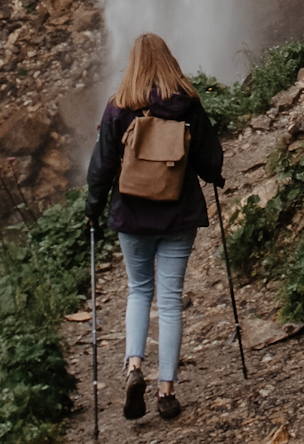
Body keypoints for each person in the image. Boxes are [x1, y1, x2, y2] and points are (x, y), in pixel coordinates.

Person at [85, 32, 224, 422]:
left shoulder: (119, 107)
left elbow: (102, 166)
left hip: (132, 215)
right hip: (178, 215)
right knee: (170, 298)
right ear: (169, 60)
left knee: (138, 290)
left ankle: (133, 366)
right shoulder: (188, 106)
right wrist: (215, 176)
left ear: (133, 63)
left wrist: (93, 208)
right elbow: (210, 157)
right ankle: (166, 390)